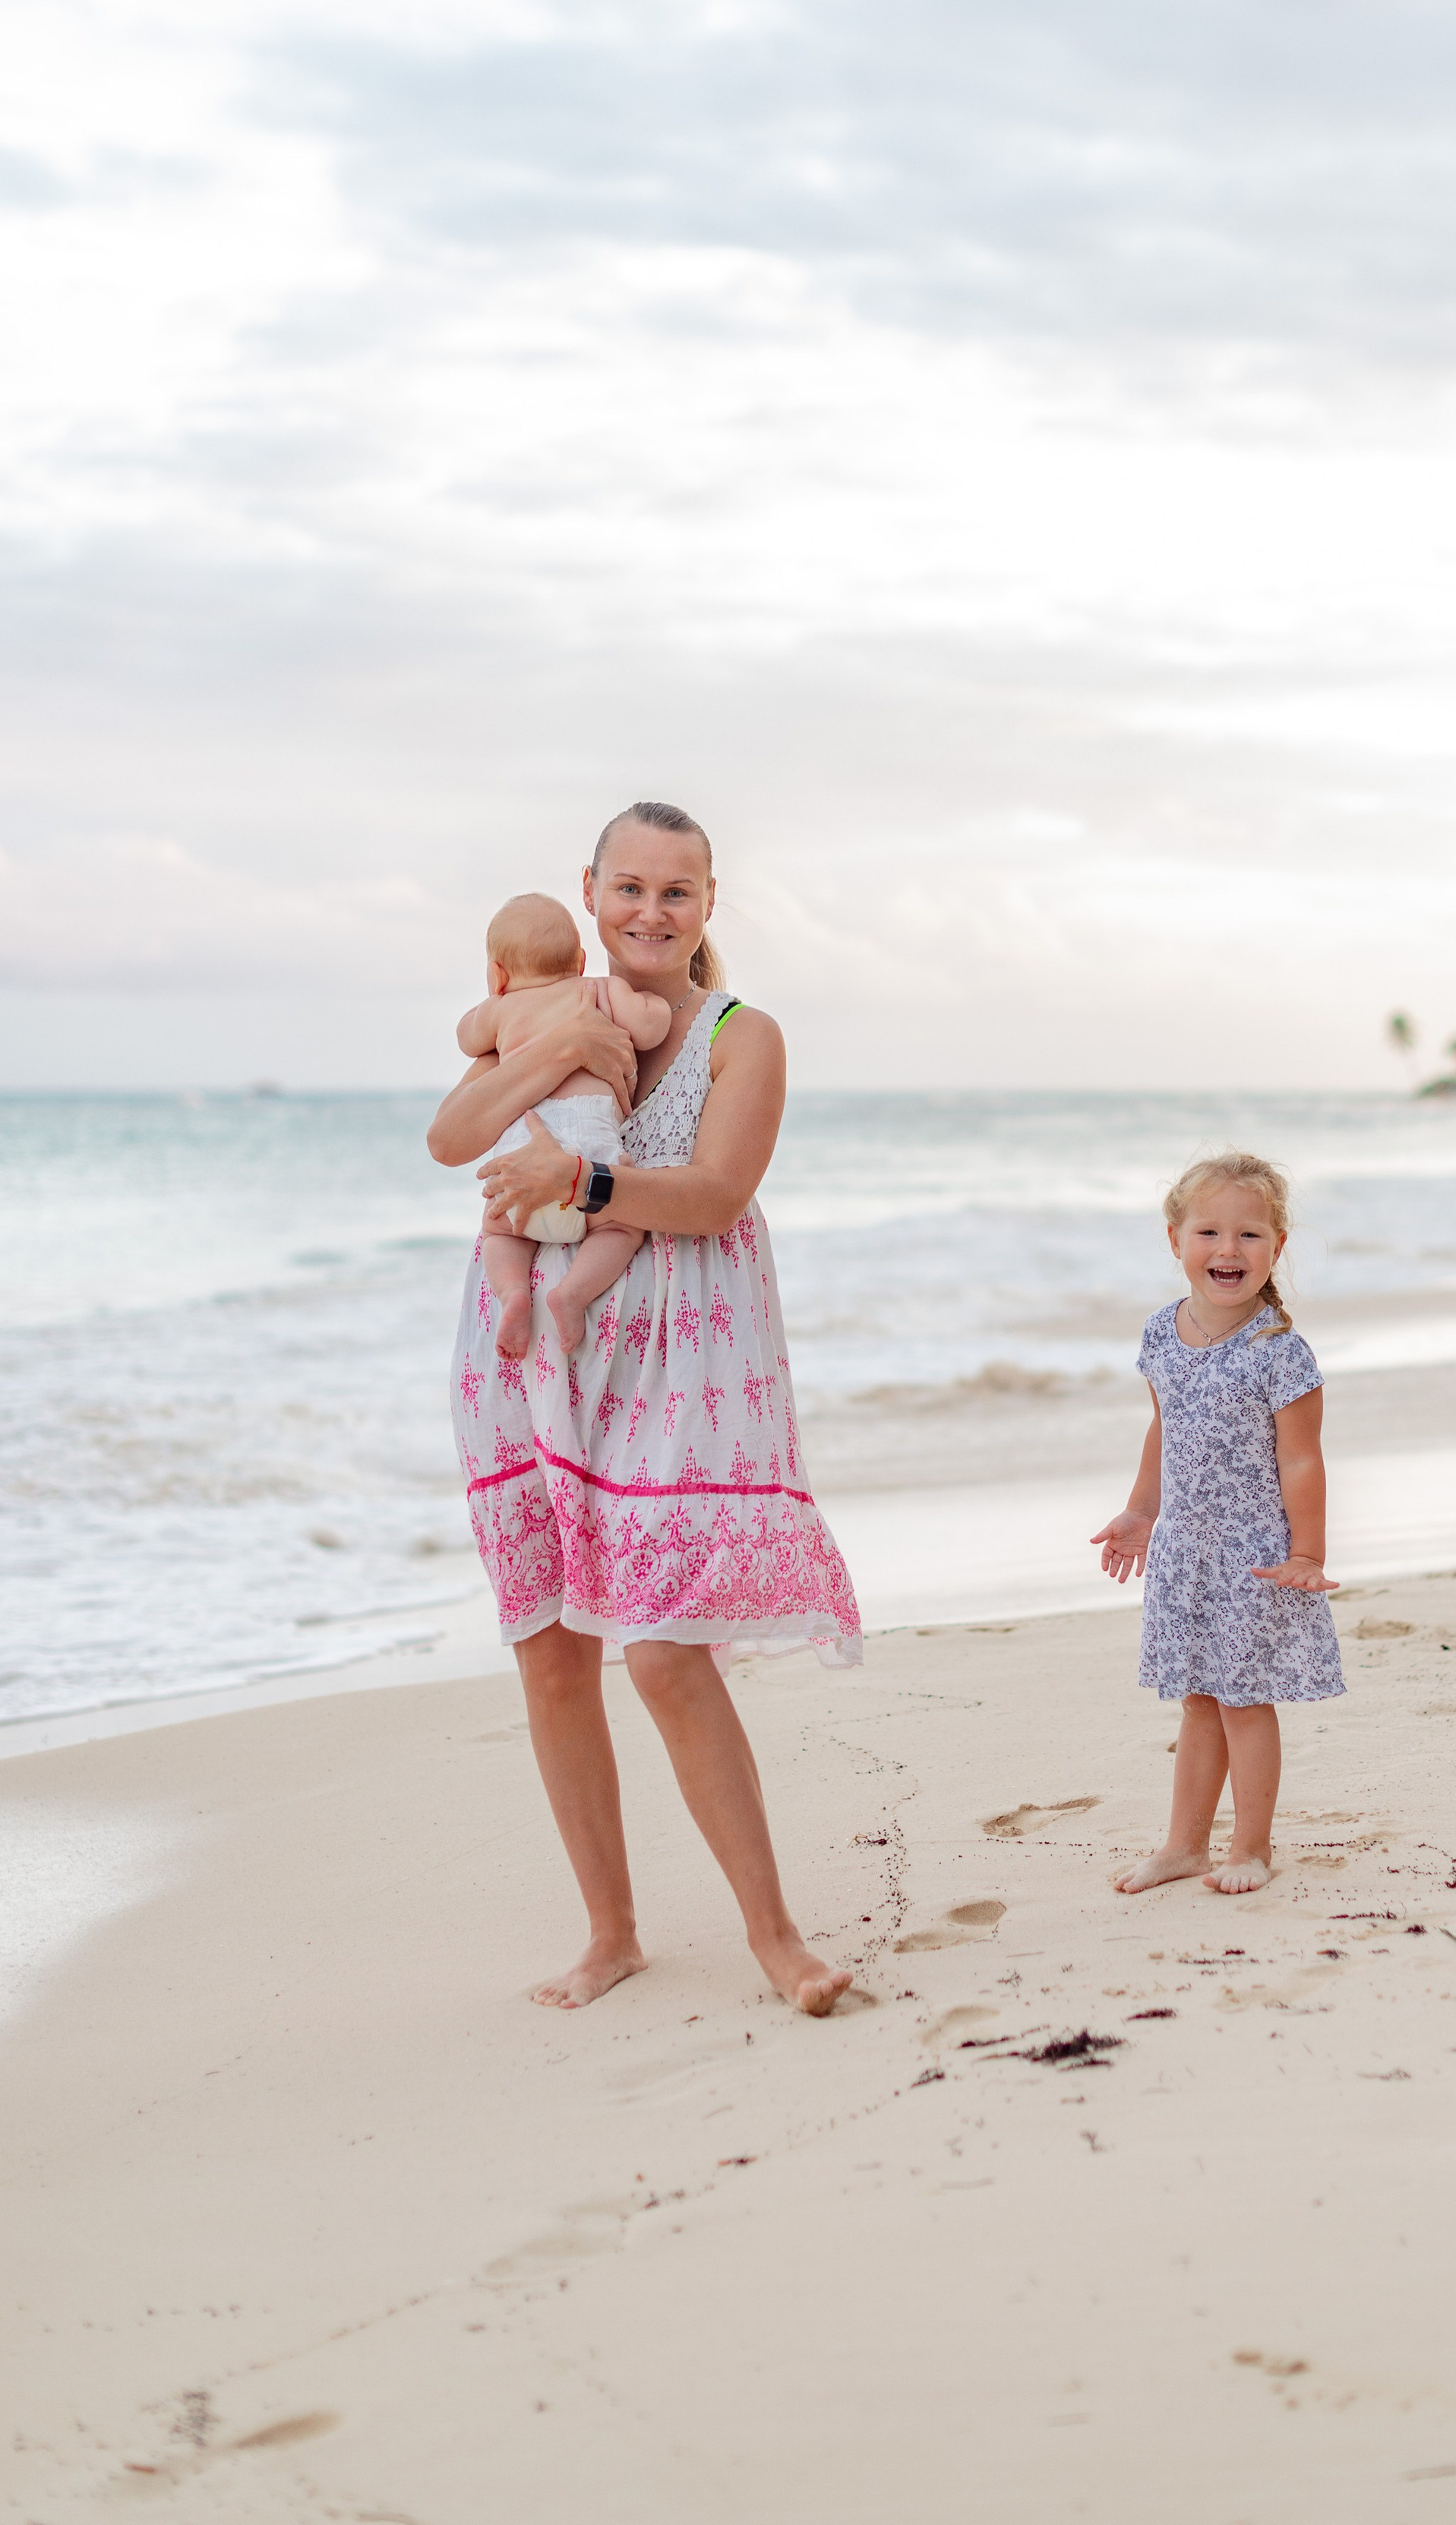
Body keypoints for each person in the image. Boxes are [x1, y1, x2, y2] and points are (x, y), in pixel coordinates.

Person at [429, 800, 862, 2017]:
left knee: (668, 1653)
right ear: (591, 889)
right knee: (555, 1655)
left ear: (709, 904)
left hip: (686, 1351)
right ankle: (610, 1934)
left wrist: (582, 1176)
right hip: (530, 1348)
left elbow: (718, 1195)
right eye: (628, 888)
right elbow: (452, 1136)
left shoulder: (742, 1033)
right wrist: (539, 1045)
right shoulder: (551, 1009)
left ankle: (776, 1938)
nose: (649, 913)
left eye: (677, 892)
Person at [1091, 1151, 1342, 1896]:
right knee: (1197, 1696)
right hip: (1185, 1553)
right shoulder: (1161, 1335)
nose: (1228, 1250)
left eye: (1249, 1236)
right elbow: (1163, 1431)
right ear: (1175, 1240)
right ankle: (1183, 1846)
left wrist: (1307, 1551)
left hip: (1253, 1556)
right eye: (1208, 1232)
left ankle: (1252, 1849)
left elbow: (1302, 1462)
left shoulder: (1280, 1352)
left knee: (1241, 1699)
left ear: (1277, 1248)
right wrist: (1141, 1511)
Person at [457, 890, 669, 1360]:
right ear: (581, 958)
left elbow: (466, 1037)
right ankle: (571, 1295)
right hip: (587, 1150)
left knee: (499, 1232)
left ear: (498, 974)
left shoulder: (502, 1009)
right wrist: (650, 1002)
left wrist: (493, 1011)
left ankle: (514, 1293)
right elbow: (652, 1029)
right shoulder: (599, 990)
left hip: (523, 1151)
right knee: (620, 1229)